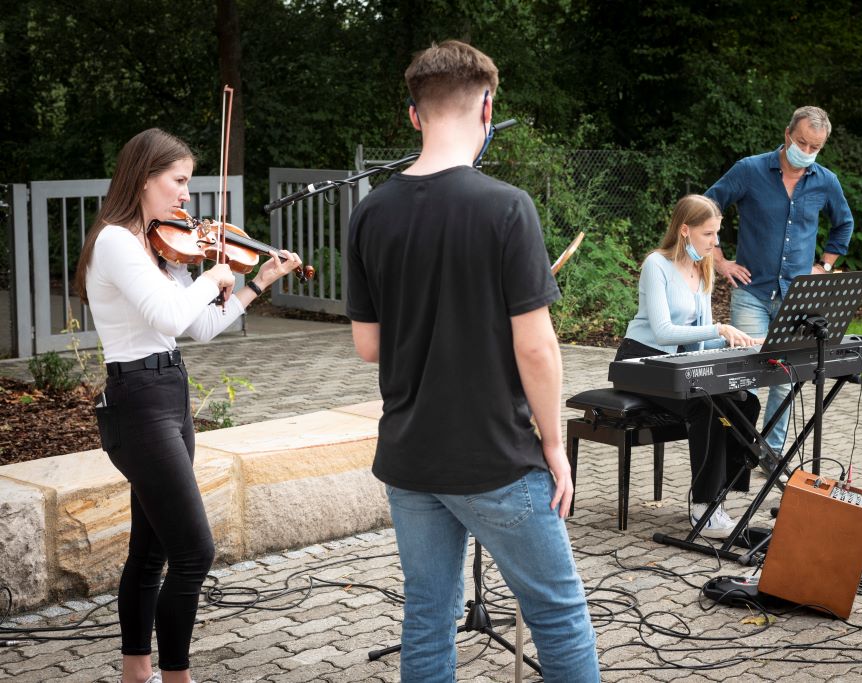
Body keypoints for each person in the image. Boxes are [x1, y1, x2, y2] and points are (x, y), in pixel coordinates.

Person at [347, 40, 600, 682]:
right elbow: (537, 347)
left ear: (414, 115)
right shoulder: (506, 206)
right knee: (558, 611)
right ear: (488, 108)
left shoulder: (371, 212)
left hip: (410, 456)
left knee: (428, 615)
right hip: (493, 456)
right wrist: (555, 445)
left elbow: (368, 345)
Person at [73, 128, 303, 683]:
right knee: (194, 552)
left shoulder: (158, 246)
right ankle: (175, 676)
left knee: (151, 552)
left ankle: (137, 672)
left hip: (169, 392)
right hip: (136, 401)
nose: (185, 196)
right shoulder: (115, 242)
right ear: (144, 176)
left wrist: (255, 285)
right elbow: (171, 316)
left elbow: (197, 327)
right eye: (178, 181)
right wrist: (215, 274)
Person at [705, 105, 854, 463]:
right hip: (752, 293)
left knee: (784, 379)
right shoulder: (749, 170)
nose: (806, 150)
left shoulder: (825, 181)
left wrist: (825, 266)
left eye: (814, 146)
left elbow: (843, 224)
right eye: (801, 141)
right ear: (788, 136)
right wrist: (721, 260)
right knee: (747, 375)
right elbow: (707, 206)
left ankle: (769, 454)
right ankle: (739, 451)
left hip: (797, 298)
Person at [615, 194, 761, 538]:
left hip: (677, 361)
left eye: (717, 234)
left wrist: (734, 339)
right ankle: (703, 509)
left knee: (744, 400)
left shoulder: (702, 267)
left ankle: (721, 497)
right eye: (708, 234)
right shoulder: (656, 264)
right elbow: (664, 331)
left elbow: (698, 341)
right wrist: (719, 328)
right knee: (707, 408)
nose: (715, 242)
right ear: (684, 230)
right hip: (640, 359)